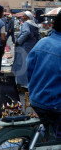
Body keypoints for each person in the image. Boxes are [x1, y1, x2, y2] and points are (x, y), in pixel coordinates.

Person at [27, 11, 61, 139]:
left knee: (48, 131)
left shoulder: (41, 43)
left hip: (37, 100)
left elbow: (29, 73)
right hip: (55, 104)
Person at [12, 11, 40, 89]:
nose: (22, 17)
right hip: (31, 47)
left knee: (22, 65)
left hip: (24, 47)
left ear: (28, 17)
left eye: (23, 16)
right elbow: (38, 37)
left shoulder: (26, 24)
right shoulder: (34, 25)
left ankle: (22, 84)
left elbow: (26, 32)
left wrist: (18, 41)